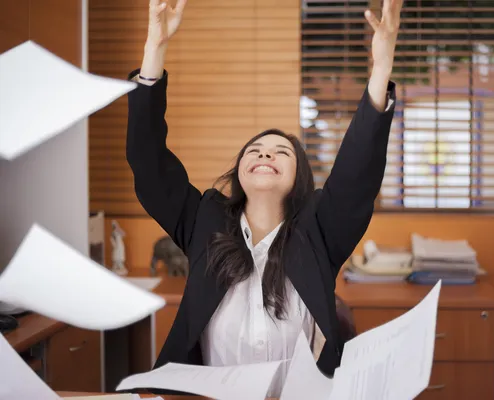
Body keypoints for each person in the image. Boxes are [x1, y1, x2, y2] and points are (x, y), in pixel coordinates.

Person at [125, 0, 402, 394]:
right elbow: (149, 165)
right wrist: (155, 47)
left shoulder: (321, 231)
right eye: (255, 151)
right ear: (240, 171)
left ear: (300, 178)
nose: (265, 154)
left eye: (281, 152)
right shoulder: (205, 219)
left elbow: (357, 173)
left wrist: (381, 69)